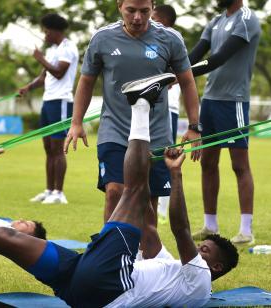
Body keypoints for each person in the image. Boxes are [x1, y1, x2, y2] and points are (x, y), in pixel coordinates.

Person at [0, 75, 238, 307]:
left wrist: (174, 179)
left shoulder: (200, 282)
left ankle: (141, 103)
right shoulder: (169, 269)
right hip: (83, 282)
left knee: (133, 191)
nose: (197, 247)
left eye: (204, 249)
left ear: (217, 266)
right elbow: (148, 223)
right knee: (6, 238)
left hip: (108, 287)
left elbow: (178, 228)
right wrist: (145, 171)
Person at [64, 0, 203, 253]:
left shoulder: (170, 39)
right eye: (131, 10)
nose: (138, 17)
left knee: (147, 204)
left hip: (156, 134)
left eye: (144, 11)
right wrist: (76, 122)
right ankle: (110, 255)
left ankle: (147, 260)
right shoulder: (102, 38)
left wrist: (194, 126)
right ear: (119, 6)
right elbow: (86, 82)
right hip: (115, 130)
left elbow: (188, 82)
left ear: (153, 7)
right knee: (114, 191)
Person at [188, 0, 261, 245]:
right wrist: (172, 69)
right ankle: (210, 225)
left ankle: (246, 230)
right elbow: (197, 53)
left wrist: (182, 75)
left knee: (239, 165)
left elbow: (218, 58)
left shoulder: (246, 19)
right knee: (207, 163)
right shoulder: (215, 22)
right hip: (209, 100)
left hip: (234, 102)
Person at [19, 13, 79, 205]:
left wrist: (40, 58)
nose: (44, 35)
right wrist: (28, 87)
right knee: (48, 148)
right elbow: (45, 77)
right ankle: (49, 190)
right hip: (48, 101)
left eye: (46, 31)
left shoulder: (68, 48)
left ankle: (59, 193)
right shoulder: (54, 49)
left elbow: (59, 73)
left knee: (57, 148)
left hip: (61, 101)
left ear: (55, 31)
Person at [151, 4, 182, 224]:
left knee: (164, 158)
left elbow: (178, 75)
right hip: (152, 109)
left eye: (152, 16)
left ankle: (162, 210)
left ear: (161, 19)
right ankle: (155, 208)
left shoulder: (172, 38)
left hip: (167, 109)